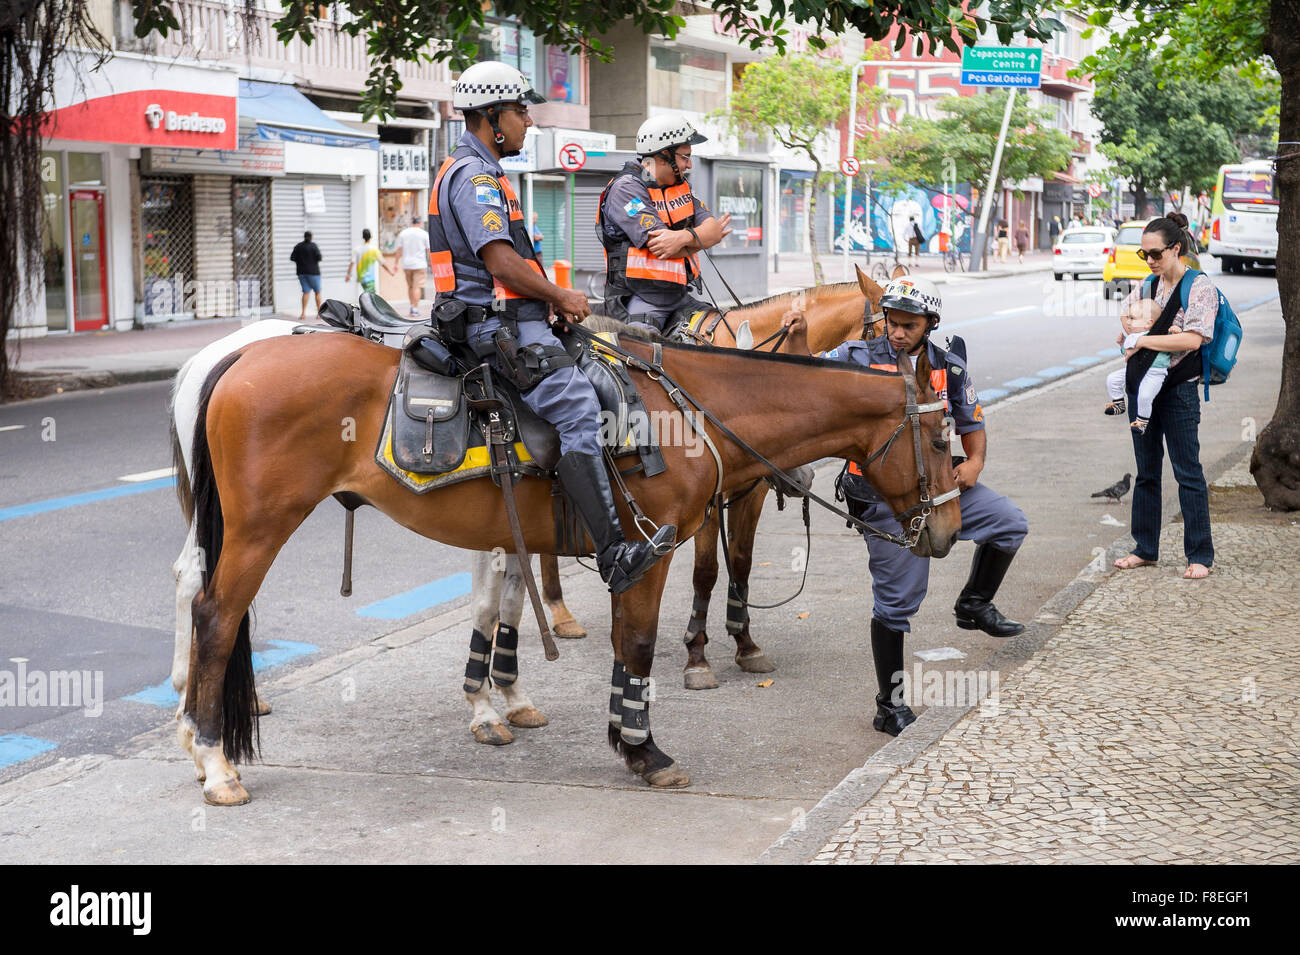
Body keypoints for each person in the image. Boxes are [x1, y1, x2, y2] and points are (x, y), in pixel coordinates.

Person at [428, 59, 674, 594]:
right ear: (492, 117)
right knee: (581, 409)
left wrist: (551, 304)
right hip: (498, 331)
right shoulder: (475, 177)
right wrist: (560, 294)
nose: (528, 122)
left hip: (519, 319)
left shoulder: (481, 171)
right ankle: (613, 554)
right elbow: (499, 262)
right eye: (520, 111)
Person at [805, 277, 1029, 736]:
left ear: (930, 324)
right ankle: (889, 704)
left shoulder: (949, 366)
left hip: (944, 486)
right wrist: (793, 335)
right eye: (892, 322)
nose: (897, 332)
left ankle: (974, 604)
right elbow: (803, 375)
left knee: (1009, 524)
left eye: (909, 325)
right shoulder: (856, 359)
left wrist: (977, 463)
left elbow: (971, 419)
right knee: (897, 604)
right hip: (887, 498)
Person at [1112, 213, 1216, 580]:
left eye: (1155, 253)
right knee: (1146, 472)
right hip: (1142, 389)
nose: (1150, 261)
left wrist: (1141, 338)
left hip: (1180, 390)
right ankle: (1145, 548)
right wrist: (1132, 333)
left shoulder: (1199, 287)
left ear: (1176, 248)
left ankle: (1200, 555)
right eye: (1145, 255)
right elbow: (1124, 326)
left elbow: (1193, 339)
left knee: (1188, 472)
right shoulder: (1146, 286)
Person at [596, 114, 732, 337]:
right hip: (640, 298)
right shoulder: (626, 189)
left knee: (727, 332)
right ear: (663, 155)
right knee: (644, 356)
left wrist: (683, 238)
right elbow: (665, 247)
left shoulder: (681, 187)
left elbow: (711, 231)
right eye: (685, 157)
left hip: (679, 296)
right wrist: (701, 237)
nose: (689, 165)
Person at [1103, 299, 1166, 431]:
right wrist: (1122, 345)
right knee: (1112, 379)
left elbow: (1173, 346)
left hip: (1154, 372)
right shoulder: (1133, 336)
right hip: (1134, 370)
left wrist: (1176, 331)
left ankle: (1142, 421)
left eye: (1133, 318)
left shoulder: (1159, 335)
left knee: (1145, 395)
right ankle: (1118, 403)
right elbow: (1127, 353)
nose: (1128, 322)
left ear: (1149, 323)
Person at [395, 216, 431, 317]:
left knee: (410, 287)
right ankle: (415, 309)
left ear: (412, 222)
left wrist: (396, 263)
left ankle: (412, 306)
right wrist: (432, 263)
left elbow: (399, 250)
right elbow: (429, 251)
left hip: (407, 264)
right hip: (419, 264)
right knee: (417, 287)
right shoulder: (424, 234)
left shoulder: (404, 233)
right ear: (419, 223)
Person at [345, 228, 395, 295]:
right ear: (370, 237)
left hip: (361, 278)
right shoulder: (374, 250)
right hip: (370, 279)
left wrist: (348, 275)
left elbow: (352, 263)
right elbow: (383, 263)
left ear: (363, 237)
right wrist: (390, 271)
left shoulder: (357, 249)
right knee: (372, 298)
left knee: (367, 295)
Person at [290, 230, 322, 319]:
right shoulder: (313, 246)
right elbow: (319, 257)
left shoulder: (298, 246)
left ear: (304, 237)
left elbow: (292, 258)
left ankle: (303, 313)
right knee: (317, 292)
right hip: (313, 272)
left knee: (306, 292)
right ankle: (319, 313)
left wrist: (301, 261)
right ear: (311, 237)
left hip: (301, 273)